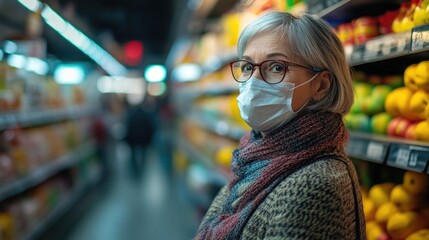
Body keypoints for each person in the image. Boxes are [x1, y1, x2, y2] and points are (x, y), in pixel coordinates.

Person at [195, 11, 366, 240]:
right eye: (247, 67)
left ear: (321, 86)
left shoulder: (315, 184)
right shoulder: (254, 157)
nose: (253, 81)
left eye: (276, 67)